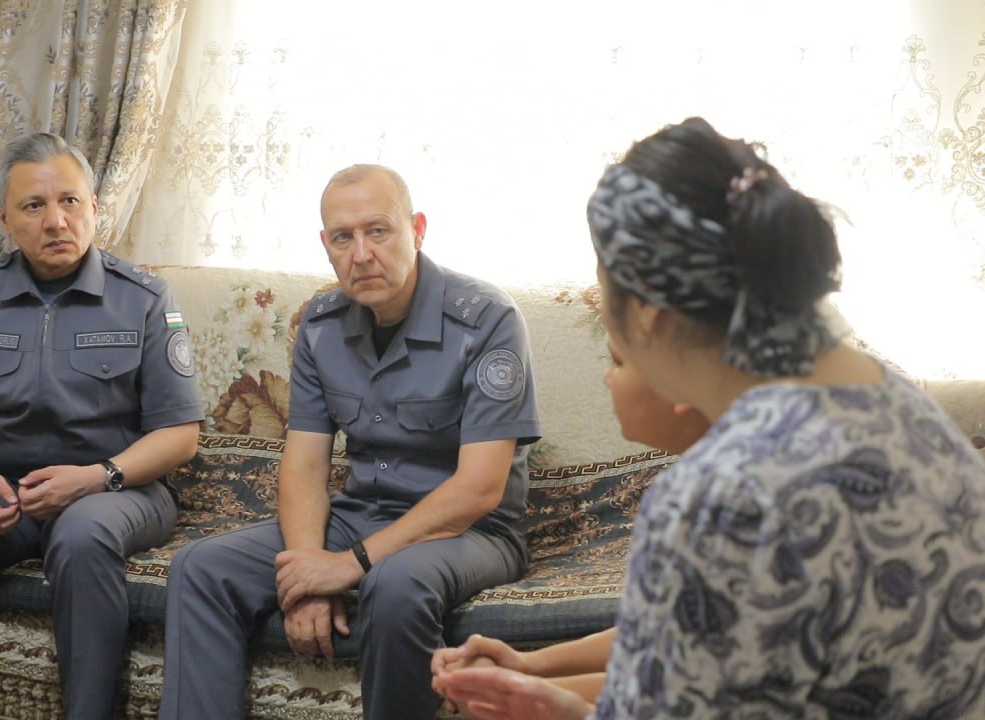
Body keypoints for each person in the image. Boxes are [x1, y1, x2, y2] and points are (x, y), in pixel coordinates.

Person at [435, 117, 985, 719]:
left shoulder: (718, 495)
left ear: (645, 310)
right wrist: (539, 669)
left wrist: (555, 711)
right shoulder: (896, 400)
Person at [158, 164, 542, 720]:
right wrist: (308, 572)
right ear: (326, 245)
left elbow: (479, 489)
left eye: (378, 231)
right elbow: (304, 469)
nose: (362, 254)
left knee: (395, 583)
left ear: (417, 230)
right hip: (359, 516)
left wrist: (350, 564)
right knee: (200, 568)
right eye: (343, 237)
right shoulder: (320, 324)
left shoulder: (487, 319)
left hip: (471, 532)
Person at [0, 132, 204, 720]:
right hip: (4, 488)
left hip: (117, 487)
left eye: (70, 201)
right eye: (34, 206)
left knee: (82, 536)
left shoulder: (144, 298)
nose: (56, 221)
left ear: (94, 208)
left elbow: (180, 434)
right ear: (4, 219)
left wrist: (95, 477)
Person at [431, 348, 710, 713]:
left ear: (679, 380)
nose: (607, 377)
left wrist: (564, 707)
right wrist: (525, 669)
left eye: (617, 361)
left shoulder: (727, 501)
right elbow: (668, 634)